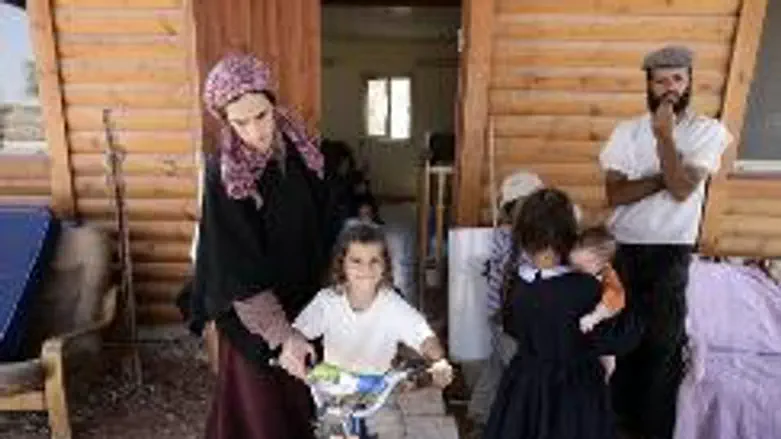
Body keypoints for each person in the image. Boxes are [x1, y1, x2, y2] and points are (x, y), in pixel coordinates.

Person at [186, 53, 337, 439]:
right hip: (254, 315)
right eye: (240, 122)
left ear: (274, 104)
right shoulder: (224, 177)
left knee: (301, 407)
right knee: (260, 416)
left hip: (302, 300)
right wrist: (281, 336)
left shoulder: (304, 154)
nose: (255, 131)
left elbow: (325, 226)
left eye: (262, 115)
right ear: (225, 121)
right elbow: (235, 268)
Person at [599, 45, 733, 439]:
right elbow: (615, 195)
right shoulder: (625, 132)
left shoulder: (710, 132)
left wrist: (665, 139)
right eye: (661, 81)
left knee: (661, 351)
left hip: (669, 252)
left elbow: (678, 191)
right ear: (649, 85)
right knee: (622, 344)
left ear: (690, 80)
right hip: (623, 249)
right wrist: (668, 176)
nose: (670, 88)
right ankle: (617, 430)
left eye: (677, 79)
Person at [484, 188, 638, 439]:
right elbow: (617, 338)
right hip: (576, 393)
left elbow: (511, 327)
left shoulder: (516, 284)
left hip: (525, 386)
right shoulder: (587, 288)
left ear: (522, 235)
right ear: (570, 233)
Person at [293, 222, 453, 438]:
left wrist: (438, 361)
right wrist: (293, 351)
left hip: (379, 395)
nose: (366, 269)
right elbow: (298, 334)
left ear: (385, 265)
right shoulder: (327, 302)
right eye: (356, 261)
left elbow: (422, 335)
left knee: (391, 430)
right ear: (342, 265)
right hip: (334, 395)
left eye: (374, 261)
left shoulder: (392, 304)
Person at [571, 226, 627, 381]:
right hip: (579, 332)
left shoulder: (608, 275)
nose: (579, 270)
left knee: (608, 364)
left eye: (584, 267)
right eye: (575, 266)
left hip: (601, 326)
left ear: (601, 263)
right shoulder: (577, 266)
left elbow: (616, 300)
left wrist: (595, 316)